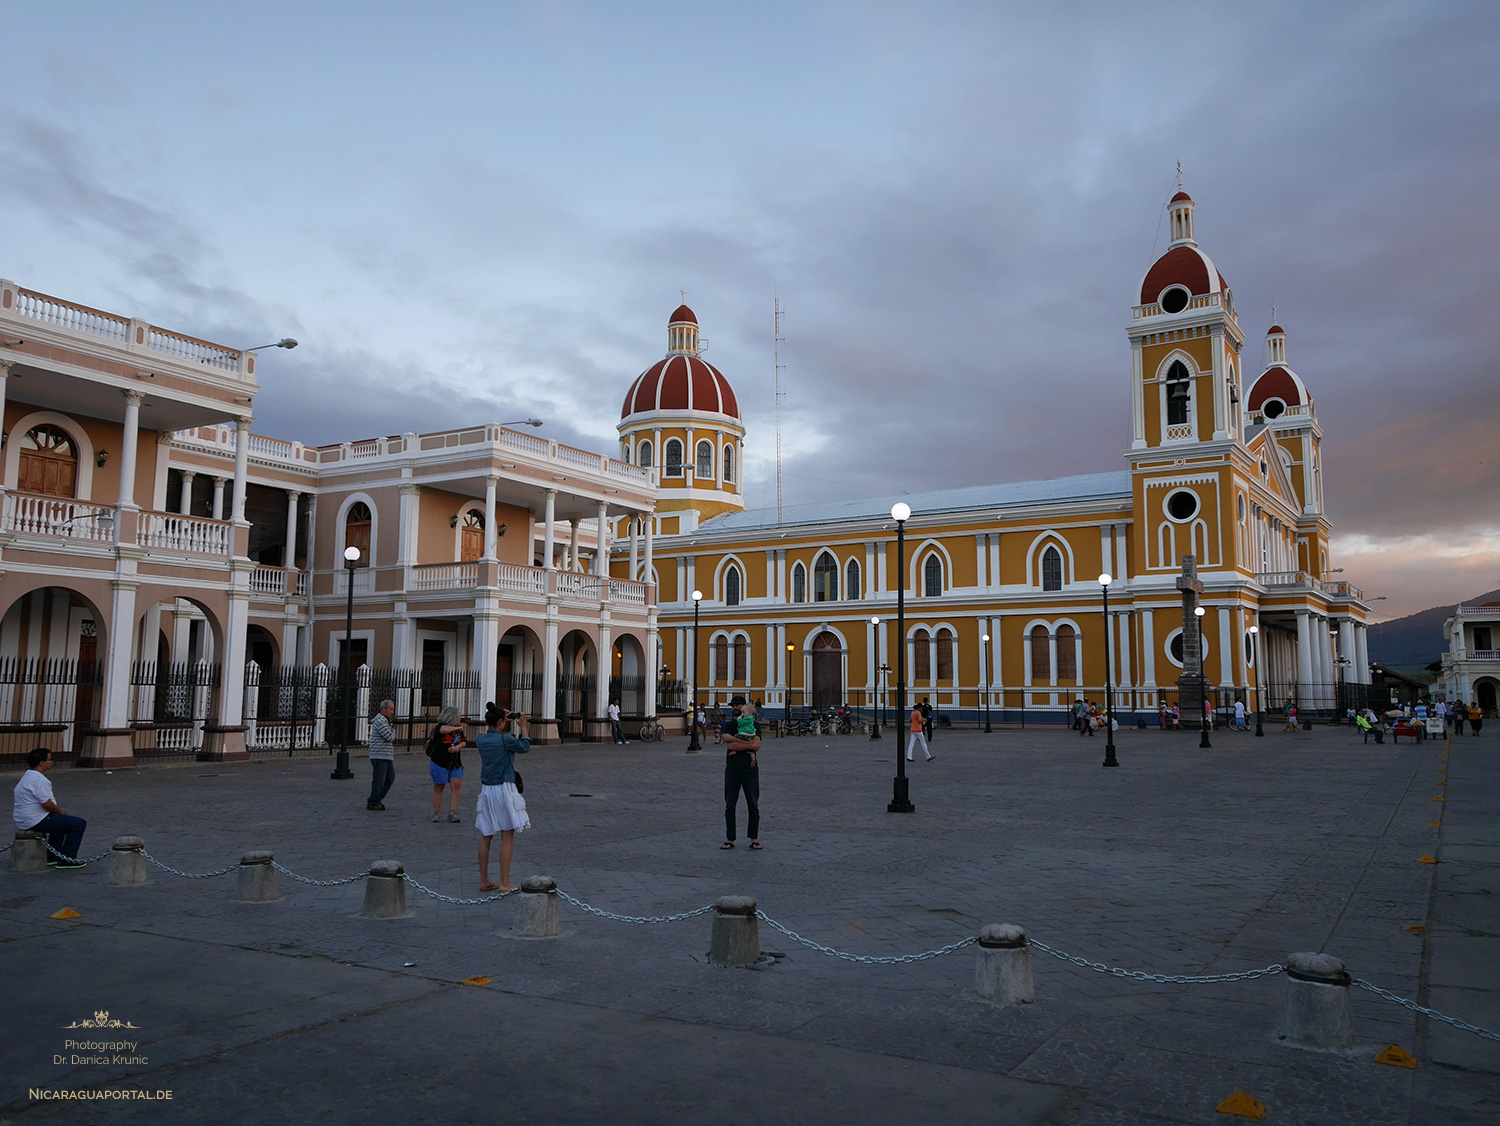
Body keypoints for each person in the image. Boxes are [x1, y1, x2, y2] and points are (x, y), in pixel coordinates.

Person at [475, 703, 530, 892]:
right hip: (504, 787)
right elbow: (524, 747)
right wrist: (523, 726)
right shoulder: (505, 739)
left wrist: (500, 718)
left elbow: (492, 730)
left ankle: (484, 880)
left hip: (487, 788)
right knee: (507, 835)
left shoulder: (480, 739)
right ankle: (505, 882)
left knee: (486, 835)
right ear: (500, 721)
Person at [13, 748, 86, 867]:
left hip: (26, 817)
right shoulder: (38, 779)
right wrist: (59, 811)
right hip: (35, 819)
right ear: (42, 763)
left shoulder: (28, 776)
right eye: (50, 759)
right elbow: (46, 804)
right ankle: (68, 859)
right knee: (78, 824)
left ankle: (52, 856)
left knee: (60, 823)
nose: (51, 762)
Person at [721, 696, 762, 850]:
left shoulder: (754, 725)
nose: (735, 708)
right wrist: (747, 745)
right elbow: (730, 747)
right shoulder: (730, 725)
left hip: (750, 771)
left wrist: (735, 741)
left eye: (737, 705)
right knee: (730, 805)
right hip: (732, 770)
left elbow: (756, 745)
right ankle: (730, 839)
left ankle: (754, 839)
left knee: (753, 805)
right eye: (733, 706)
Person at [427, 705, 467, 823]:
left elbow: (464, 742)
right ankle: (437, 813)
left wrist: (458, 747)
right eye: (458, 716)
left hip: (455, 762)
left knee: (456, 784)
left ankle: (452, 812)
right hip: (440, 761)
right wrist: (456, 729)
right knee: (439, 786)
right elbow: (443, 730)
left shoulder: (458, 729)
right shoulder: (440, 727)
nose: (460, 718)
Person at [367, 699, 397, 810]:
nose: (392, 712)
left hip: (386, 755)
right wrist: (393, 732)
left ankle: (376, 798)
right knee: (379, 780)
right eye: (390, 709)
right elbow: (389, 737)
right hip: (379, 755)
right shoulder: (380, 721)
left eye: (392, 709)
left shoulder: (386, 721)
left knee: (390, 777)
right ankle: (373, 801)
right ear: (383, 709)